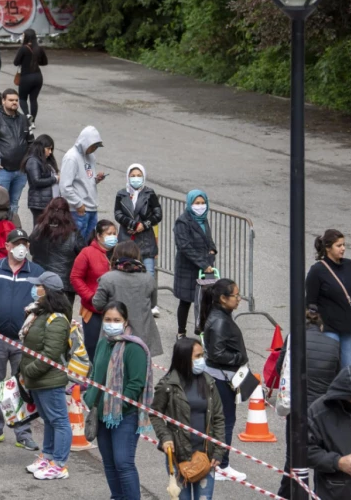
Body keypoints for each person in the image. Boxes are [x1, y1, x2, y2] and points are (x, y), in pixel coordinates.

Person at [0, 228, 42, 451]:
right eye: (17, 243)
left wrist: (34, 333)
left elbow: (45, 304)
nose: (22, 247)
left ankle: (23, 432)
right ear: (8, 246)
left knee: (23, 386)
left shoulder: (37, 273)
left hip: (24, 341)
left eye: (25, 243)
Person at [84, 301, 154, 500]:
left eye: (116, 320)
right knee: (109, 462)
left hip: (125, 415)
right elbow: (95, 373)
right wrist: (90, 397)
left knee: (123, 463)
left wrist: (117, 406)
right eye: (107, 319)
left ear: (125, 322)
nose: (111, 323)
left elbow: (135, 384)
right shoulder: (103, 343)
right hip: (101, 413)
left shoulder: (134, 348)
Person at [276, 305, 340, 498]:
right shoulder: (333, 344)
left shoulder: (292, 340)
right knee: (322, 457)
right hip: (323, 412)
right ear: (321, 325)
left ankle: (289, 495)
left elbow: (281, 367)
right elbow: (337, 379)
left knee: (294, 458)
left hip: (297, 409)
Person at [151, 338, 225, 500]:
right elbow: (155, 414)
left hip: (206, 456)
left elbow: (218, 418)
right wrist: (165, 437)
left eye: (202, 355)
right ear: (184, 359)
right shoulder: (167, 386)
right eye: (197, 356)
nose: (202, 360)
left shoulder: (209, 382)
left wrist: (219, 451)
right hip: (179, 457)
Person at [20, 271, 76, 480]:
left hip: (48, 379)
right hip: (37, 378)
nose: (35, 289)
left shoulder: (57, 319)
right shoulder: (39, 313)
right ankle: (48, 455)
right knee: (48, 419)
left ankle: (59, 464)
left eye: (39, 286)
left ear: (48, 291)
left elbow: (51, 353)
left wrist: (30, 370)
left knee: (59, 420)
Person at [198, 278, 248, 482]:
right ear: (222, 298)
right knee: (225, 421)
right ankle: (222, 465)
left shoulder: (220, 316)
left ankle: (217, 461)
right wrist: (240, 358)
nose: (239, 299)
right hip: (222, 378)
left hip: (221, 376)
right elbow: (217, 354)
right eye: (236, 295)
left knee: (220, 420)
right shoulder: (219, 321)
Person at [306, 229, 351, 368]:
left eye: (344, 245)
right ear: (327, 248)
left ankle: (344, 390)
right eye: (339, 245)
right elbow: (310, 302)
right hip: (328, 329)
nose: (343, 248)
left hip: (349, 328)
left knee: (347, 369)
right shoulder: (317, 271)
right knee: (329, 367)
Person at [94, 241, 162, 357]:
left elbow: (98, 304)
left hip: (113, 333)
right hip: (142, 335)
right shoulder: (148, 279)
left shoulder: (107, 279)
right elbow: (152, 304)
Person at [307, 366, 351, 500]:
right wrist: (338, 462)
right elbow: (304, 451)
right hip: (332, 493)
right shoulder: (318, 412)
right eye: (349, 399)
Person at [113, 163, 163, 317]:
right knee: (127, 272)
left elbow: (157, 213)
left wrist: (144, 225)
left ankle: (150, 304)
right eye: (132, 175)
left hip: (145, 239)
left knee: (149, 274)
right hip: (127, 238)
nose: (136, 178)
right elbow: (118, 214)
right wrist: (132, 224)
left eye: (138, 175)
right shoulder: (121, 194)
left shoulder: (149, 193)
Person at [70, 220, 117, 361]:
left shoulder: (119, 253)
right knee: (93, 349)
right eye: (109, 234)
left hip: (116, 311)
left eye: (115, 234)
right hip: (93, 310)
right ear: (98, 235)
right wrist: (90, 296)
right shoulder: (87, 253)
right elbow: (75, 277)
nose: (113, 237)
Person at [0, 89, 32, 213]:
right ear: (3, 101)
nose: (14, 102)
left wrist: (27, 163)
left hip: (20, 172)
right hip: (1, 172)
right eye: (11, 100)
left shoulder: (24, 119)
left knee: (14, 204)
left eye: (16, 100)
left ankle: (11, 230)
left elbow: (31, 142)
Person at [174, 189, 216, 338]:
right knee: (185, 300)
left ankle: (202, 329)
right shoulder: (182, 222)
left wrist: (212, 250)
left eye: (203, 203)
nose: (200, 206)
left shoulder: (203, 219)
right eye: (196, 203)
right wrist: (202, 263)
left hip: (205, 266)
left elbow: (208, 238)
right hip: (187, 267)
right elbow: (184, 246)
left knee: (204, 300)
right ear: (190, 204)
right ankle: (181, 331)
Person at [29, 197, 84, 306]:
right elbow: (83, 256)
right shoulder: (73, 234)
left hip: (41, 282)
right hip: (64, 285)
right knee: (62, 319)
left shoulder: (37, 230)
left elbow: (31, 250)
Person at [59, 125, 104, 242]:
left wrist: (96, 179)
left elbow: (86, 179)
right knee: (77, 245)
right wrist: (79, 205)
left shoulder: (91, 156)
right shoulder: (71, 158)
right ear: (85, 142)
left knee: (89, 244)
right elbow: (65, 186)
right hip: (79, 210)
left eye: (97, 146)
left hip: (92, 207)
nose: (94, 149)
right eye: (93, 146)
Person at [22, 134, 58, 226]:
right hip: (39, 203)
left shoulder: (46, 160)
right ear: (41, 147)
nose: (50, 152)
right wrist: (55, 179)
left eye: (51, 149)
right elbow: (36, 181)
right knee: (39, 230)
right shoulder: (33, 161)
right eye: (48, 149)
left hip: (48, 201)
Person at [13, 28, 48, 119]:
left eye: (23, 35)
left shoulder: (23, 49)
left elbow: (16, 62)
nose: (22, 36)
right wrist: (35, 61)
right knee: (33, 99)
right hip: (38, 77)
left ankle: (27, 115)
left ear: (26, 37)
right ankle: (33, 122)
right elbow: (44, 62)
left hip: (26, 77)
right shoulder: (39, 48)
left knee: (22, 98)